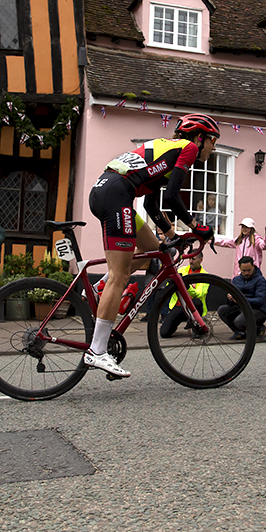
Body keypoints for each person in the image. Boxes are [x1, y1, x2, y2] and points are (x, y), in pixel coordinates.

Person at [86, 113, 219, 377]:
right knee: (120, 275)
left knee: (154, 248)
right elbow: (172, 196)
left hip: (107, 190)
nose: (212, 147)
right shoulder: (188, 148)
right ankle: (97, 351)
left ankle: (97, 287)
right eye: (212, 141)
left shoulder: (167, 149)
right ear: (200, 137)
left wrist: (172, 235)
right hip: (116, 195)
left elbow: (151, 204)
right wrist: (197, 227)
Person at [217, 256, 266, 339]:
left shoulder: (260, 280)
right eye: (244, 270)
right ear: (239, 268)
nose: (246, 273)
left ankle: (258, 328)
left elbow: (260, 301)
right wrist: (230, 298)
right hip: (240, 308)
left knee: (240, 321)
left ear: (254, 267)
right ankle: (239, 332)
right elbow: (230, 303)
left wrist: (240, 299)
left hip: (257, 310)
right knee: (222, 310)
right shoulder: (236, 280)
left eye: (249, 270)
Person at [160, 253, 209, 337]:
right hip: (179, 306)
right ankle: (176, 323)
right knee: (164, 333)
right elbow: (169, 286)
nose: (190, 261)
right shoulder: (181, 270)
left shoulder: (205, 275)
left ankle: (196, 326)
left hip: (193, 307)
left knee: (197, 302)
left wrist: (186, 287)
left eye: (193, 259)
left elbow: (199, 294)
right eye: (189, 259)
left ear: (200, 260)